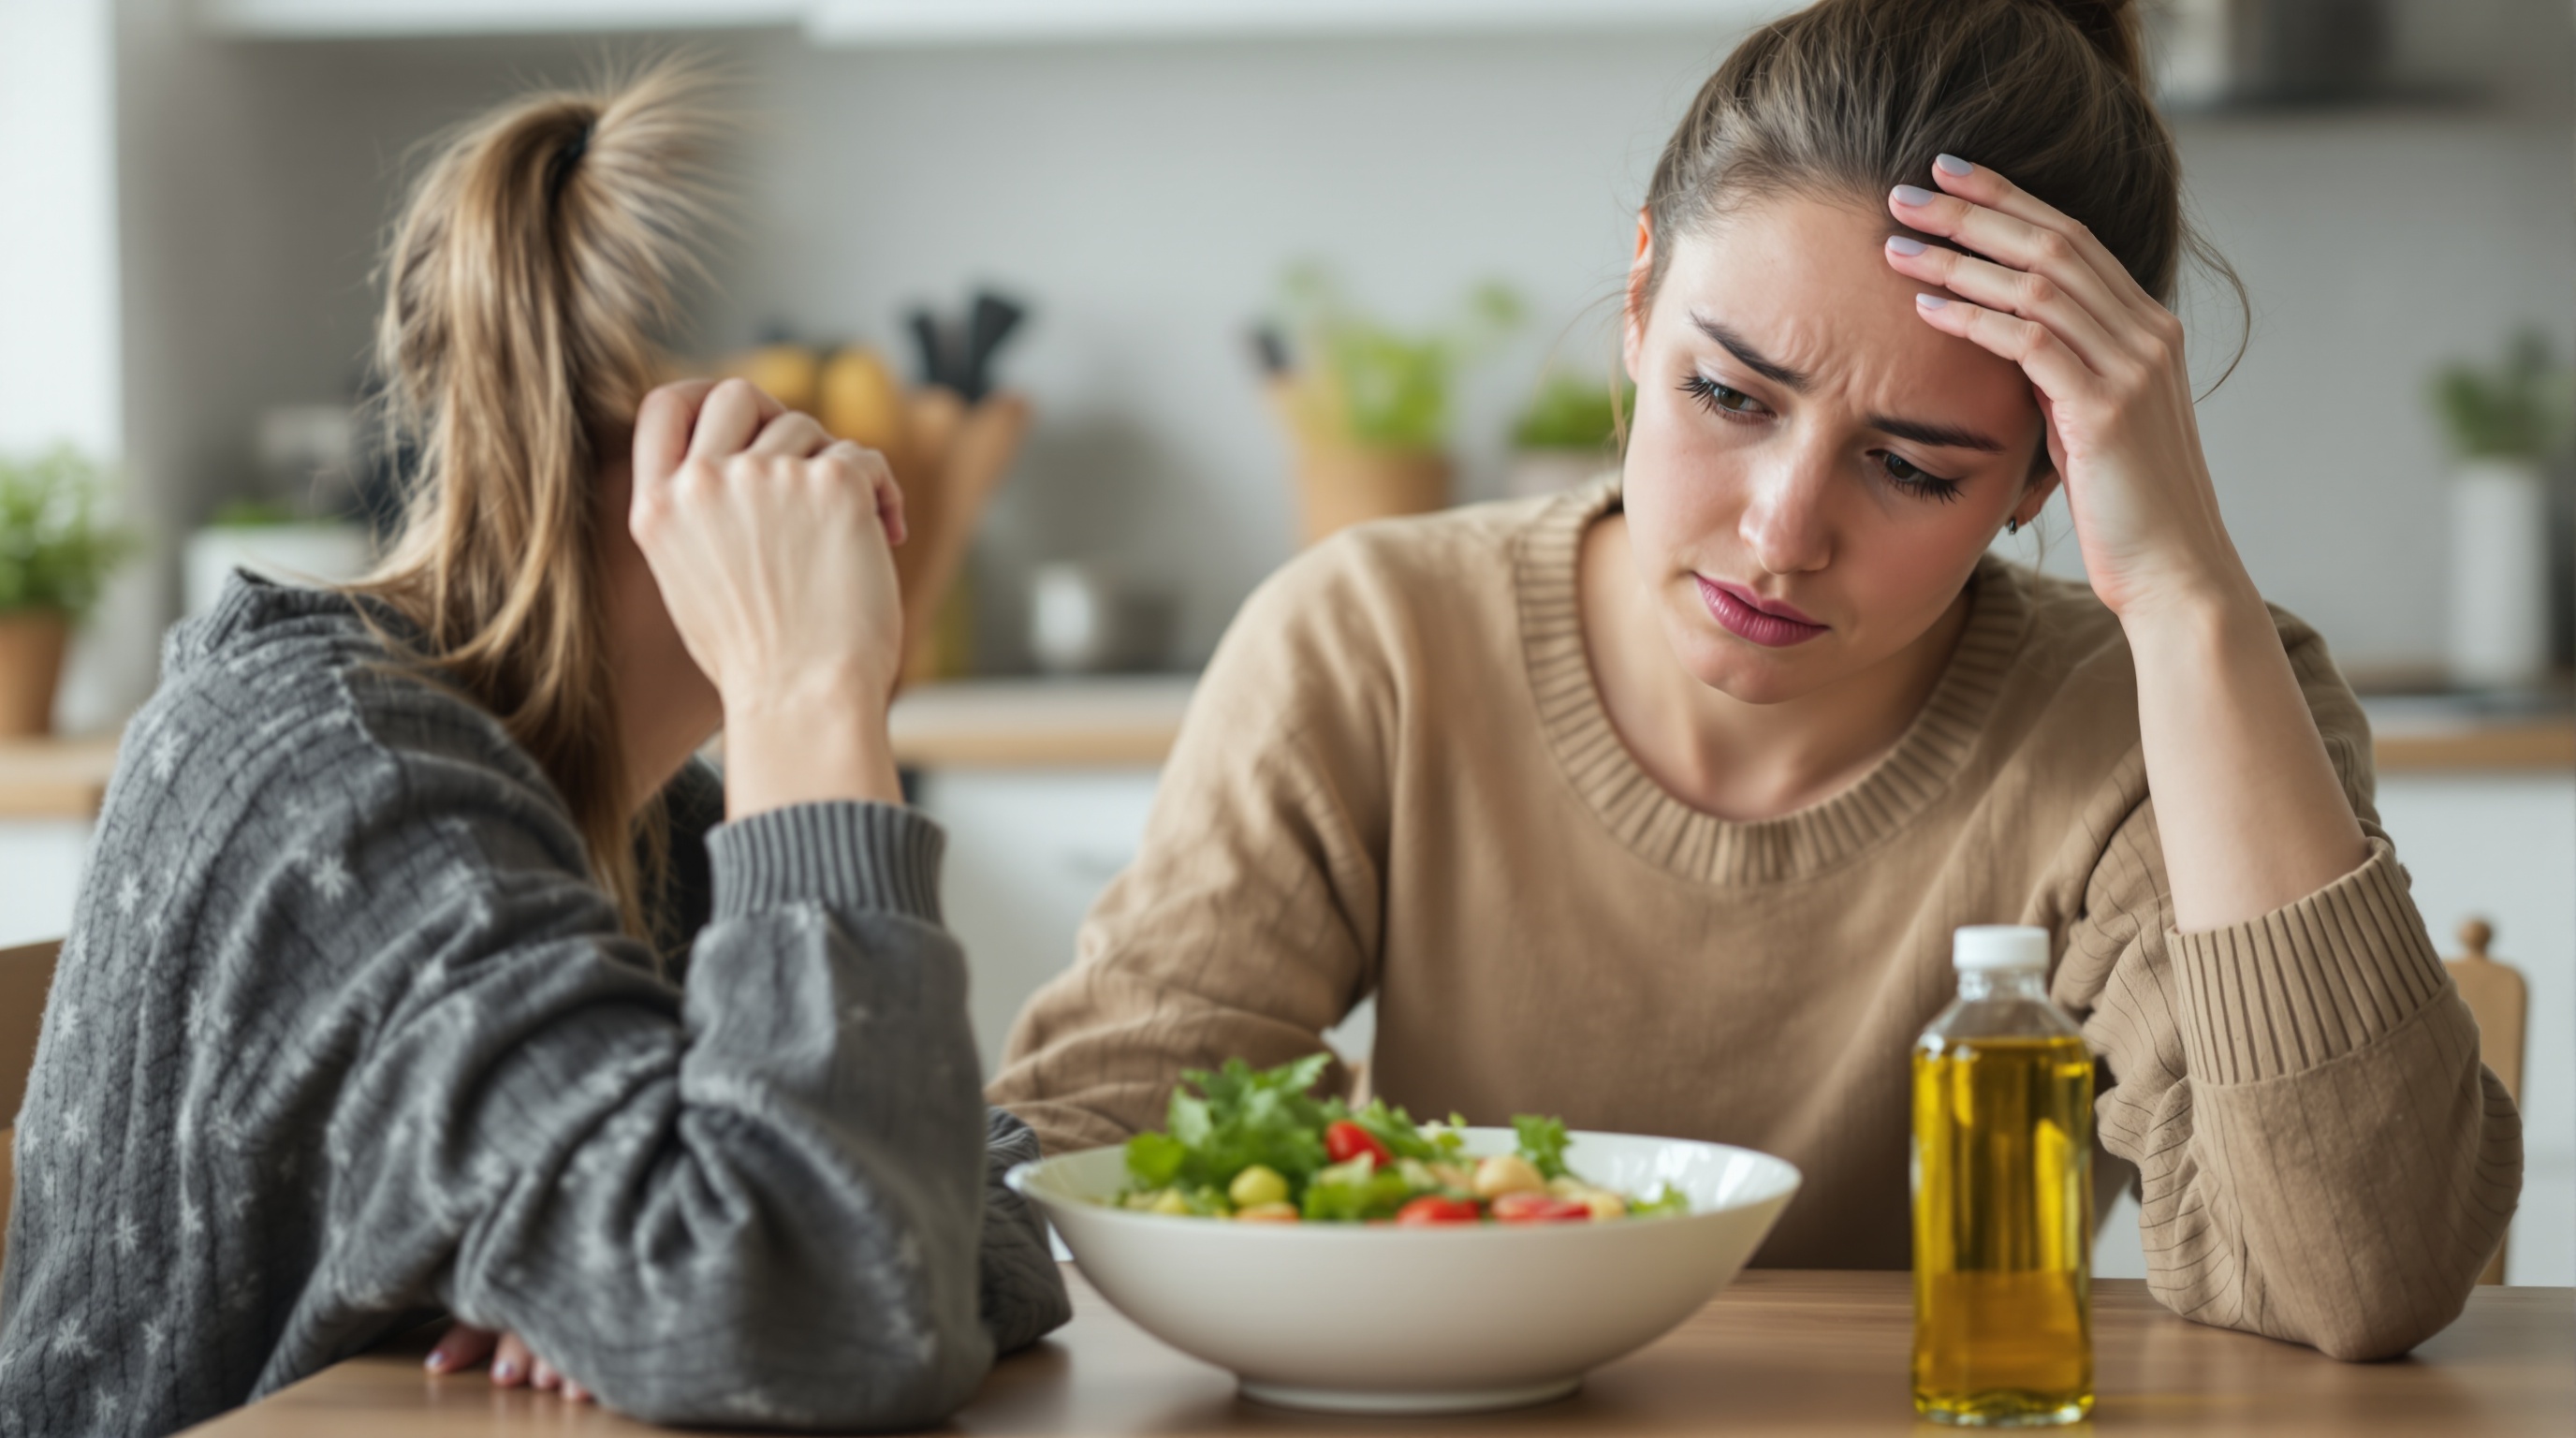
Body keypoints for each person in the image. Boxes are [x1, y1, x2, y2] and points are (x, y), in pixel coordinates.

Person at [990, 0, 2520, 1361]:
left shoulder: (2169, 716)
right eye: (1728, 394)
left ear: (2047, 474)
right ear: (1641, 298)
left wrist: (2188, 600)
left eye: (1915, 468)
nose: (1782, 535)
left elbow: (2353, 1281)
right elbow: (1066, 1168)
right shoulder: (1371, 639)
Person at [0, 64, 1066, 1438]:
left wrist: (651, 1276)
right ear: (689, 483)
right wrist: (808, 687)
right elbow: (844, 1309)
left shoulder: (643, 824)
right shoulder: (342, 782)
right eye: (815, 461)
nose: (874, 501)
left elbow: (956, 1207)